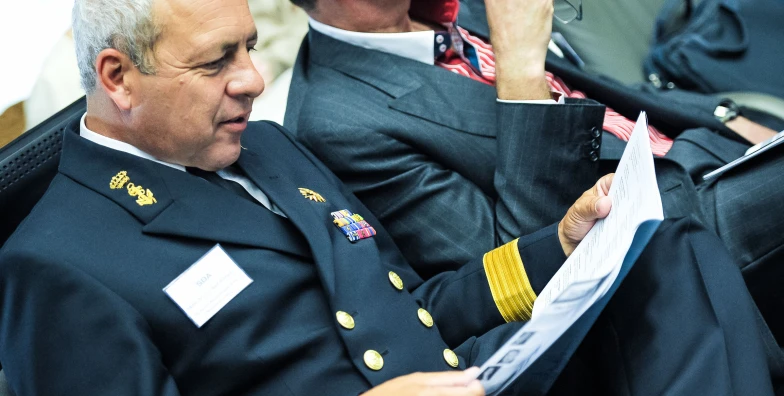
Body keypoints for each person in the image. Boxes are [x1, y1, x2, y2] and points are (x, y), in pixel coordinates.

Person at [1, 1, 783, 396]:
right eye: (215, 64)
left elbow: (413, 306)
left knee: (666, 246)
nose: (253, 78)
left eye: (247, 47)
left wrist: (561, 247)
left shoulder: (266, 148)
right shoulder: (56, 262)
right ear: (117, 79)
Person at [282, 0, 784, 342]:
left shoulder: (458, 10)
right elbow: (532, 264)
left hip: (700, 156)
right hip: (658, 242)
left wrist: (724, 118)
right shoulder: (336, 125)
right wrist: (520, 64)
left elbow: (606, 97)